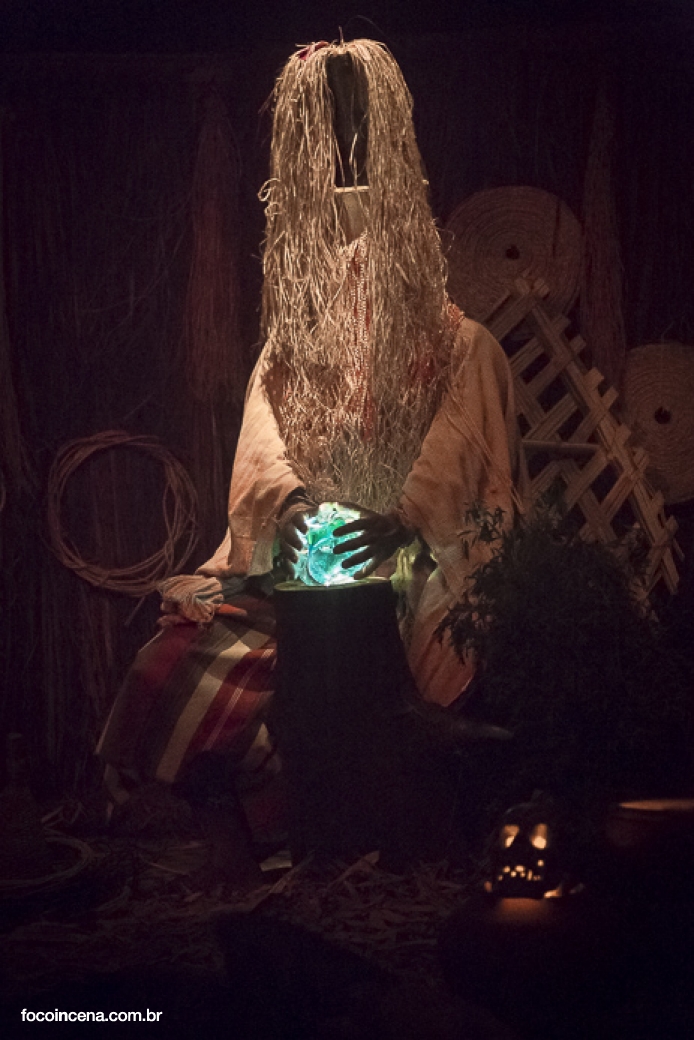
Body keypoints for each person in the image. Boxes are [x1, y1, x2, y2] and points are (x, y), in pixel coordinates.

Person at [97, 38, 524, 884]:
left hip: (415, 575)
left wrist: (400, 516)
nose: (354, 282)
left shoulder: (461, 344)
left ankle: (385, 841)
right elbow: (262, 450)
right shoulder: (291, 351)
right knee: (174, 665)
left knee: (395, 682)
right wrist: (291, 507)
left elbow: (467, 459)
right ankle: (230, 830)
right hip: (303, 570)